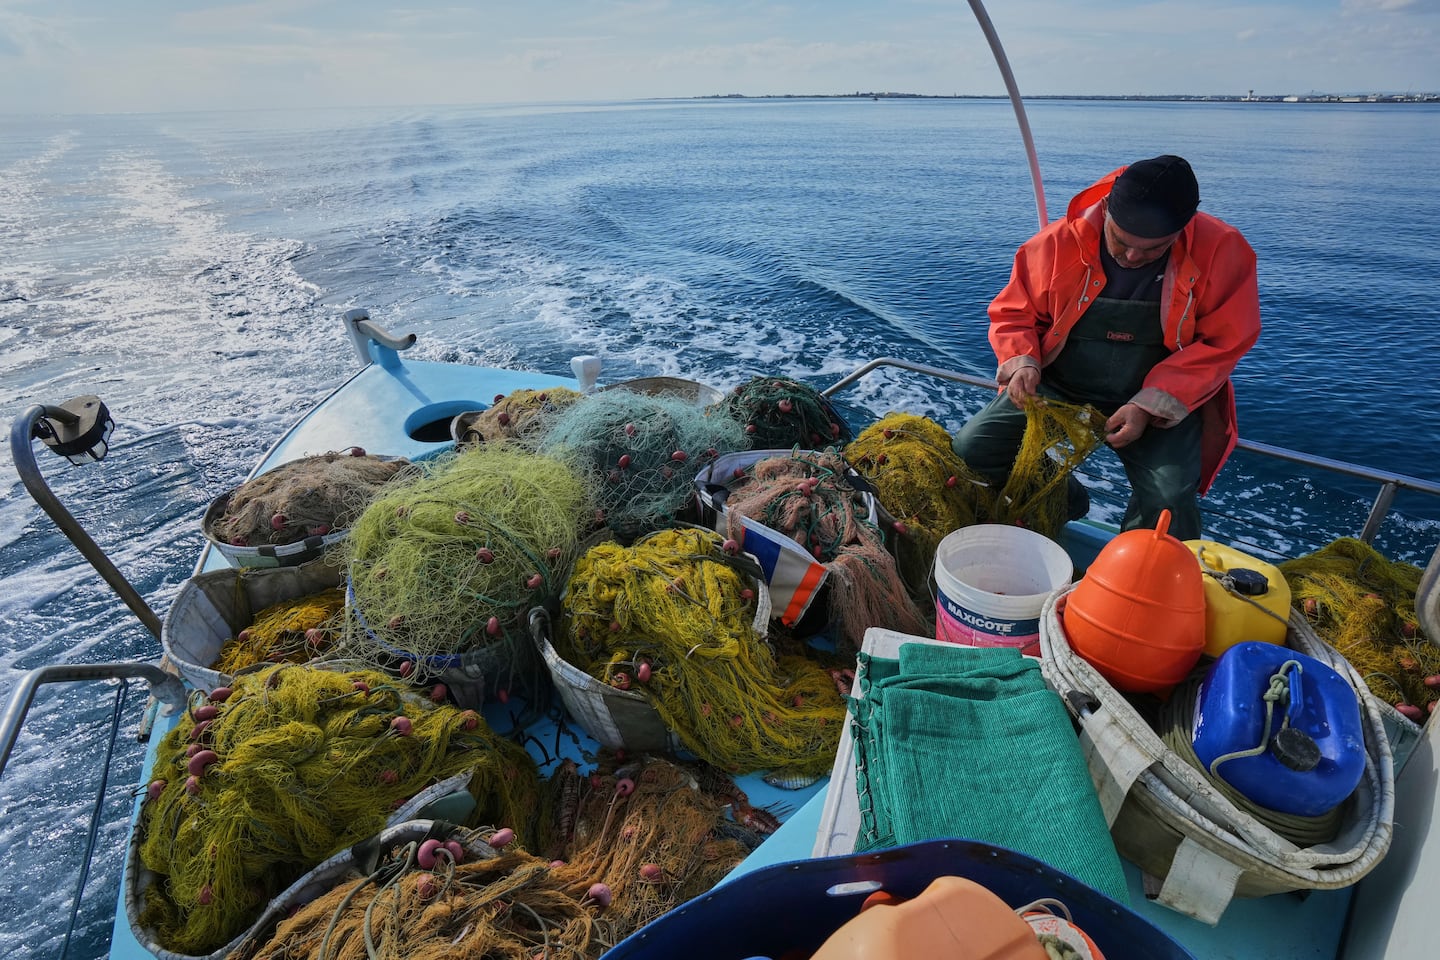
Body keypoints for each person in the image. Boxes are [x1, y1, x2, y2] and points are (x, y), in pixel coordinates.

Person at [952, 155, 1260, 541]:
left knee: (1168, 497)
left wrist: (1149, 405)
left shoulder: (1224, 251)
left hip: (1156, 398)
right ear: (1106, 209)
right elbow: (1014, 312)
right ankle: (1062, 499)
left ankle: (1136, 577)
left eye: (1152, 250)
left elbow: (1225, 341)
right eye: (1121, 241)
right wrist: (1022, 361)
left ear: (1184, 228)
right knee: (973, 449)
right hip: (1058, 384)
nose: (1132, 257)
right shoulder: (1057, 241)